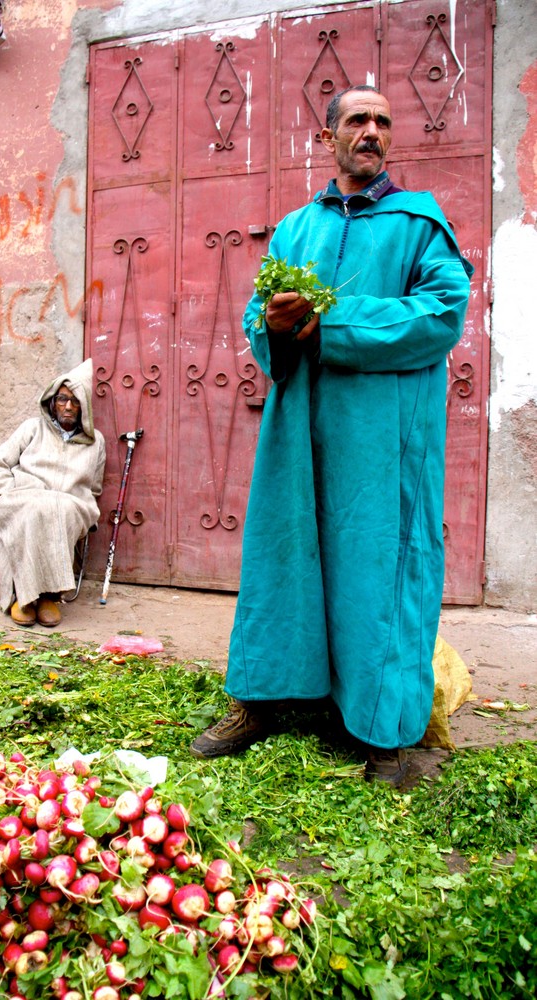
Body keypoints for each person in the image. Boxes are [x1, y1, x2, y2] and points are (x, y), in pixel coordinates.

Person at [189, 86, 474, 785]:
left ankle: (382, 733)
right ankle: (260, 700)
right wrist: (278, 327)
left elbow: (441, 313)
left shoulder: (419, 223)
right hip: (298, 430)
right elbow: (260, 319)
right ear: (329, 138)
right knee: (281, 558)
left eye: (381, 121)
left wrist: (331, 323)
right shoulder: (294, 230)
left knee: (380, 565)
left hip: (381, 438)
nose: (371, 131)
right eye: (357, 120)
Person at [0, 358, 106, 628]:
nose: (68, 406)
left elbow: (94, 487)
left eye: (76, 401)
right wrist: (5, 492)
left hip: (69, 505)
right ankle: (24, 597)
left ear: (83, 407)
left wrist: (80, 501)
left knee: (56, 510)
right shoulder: (32, 428)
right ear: (52, 401)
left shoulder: (96, 442)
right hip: (26, 496)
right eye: (62, 399)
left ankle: (49, 595)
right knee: (32, 510)